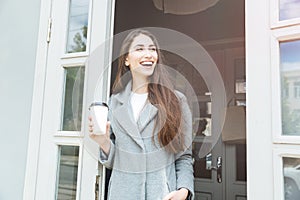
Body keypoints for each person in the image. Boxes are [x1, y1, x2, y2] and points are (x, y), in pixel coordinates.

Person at [89, 29, 194, 200]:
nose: (148, 54)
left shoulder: (176, 101)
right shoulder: (114, 103)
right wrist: (104, 143)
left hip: (162, 196)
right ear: (127, 60)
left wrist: (183, 191)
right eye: (139, 49)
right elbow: (118, 162)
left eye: (152, 49)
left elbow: (184, 157)